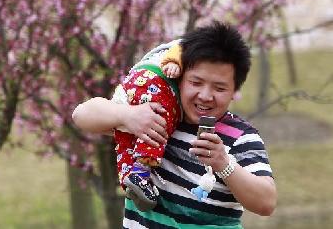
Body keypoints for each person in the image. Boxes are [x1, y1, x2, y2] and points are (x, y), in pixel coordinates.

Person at [72, 21, 277, 228]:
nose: (205, 96)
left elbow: (266, 202)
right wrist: (127, 115)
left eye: (220, 88)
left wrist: (224, 164)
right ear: (179, 78)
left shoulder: (240, 136)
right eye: (195, 83)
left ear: (234, 92)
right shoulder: (157, 118)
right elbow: (81, 115)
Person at [113, 39, 184, 211]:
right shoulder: (189, 46)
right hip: (151, 81)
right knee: (157, 123)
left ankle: (130, 180)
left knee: (126, 136)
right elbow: (181, 49)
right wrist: (174, 63)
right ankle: (141, 172)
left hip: (129, 86)